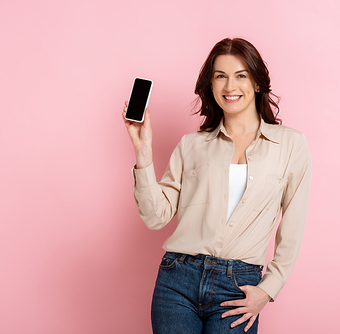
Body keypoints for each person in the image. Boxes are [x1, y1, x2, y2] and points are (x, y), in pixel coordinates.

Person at [122, 38, 311, 334]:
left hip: (239, 286)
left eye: (240, 76)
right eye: (220, 76)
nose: (229, 86)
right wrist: (143, 152)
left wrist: (269, 288)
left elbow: (293, 225)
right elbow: (155, 216)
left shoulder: (290, 144)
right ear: (210, 86)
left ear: (258, 83)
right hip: (177, 282)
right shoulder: (191, 145)